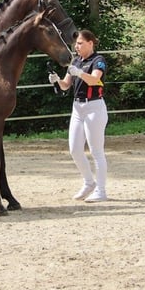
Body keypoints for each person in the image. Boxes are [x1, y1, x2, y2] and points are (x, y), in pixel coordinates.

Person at [48, 29, 109, 202]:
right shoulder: (76, 61)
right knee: (75, 149)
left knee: (96, 151)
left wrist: (78, 72)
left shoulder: (98, 61)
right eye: (76, 44)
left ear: (91, 43)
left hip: (94, 106)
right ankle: (89, 182)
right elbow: (66, 85)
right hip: (77, 107)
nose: (77, 46)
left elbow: (94, 80)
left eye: (80, 43)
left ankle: (101, 190)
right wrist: (57, 80)